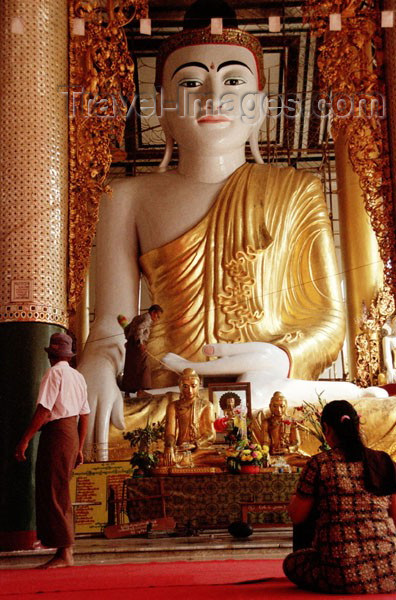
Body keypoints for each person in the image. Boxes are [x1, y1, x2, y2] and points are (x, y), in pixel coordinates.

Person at [79, 0, 385, 459]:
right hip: (171, 398)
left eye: (234, 80)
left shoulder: (297, 189)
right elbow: (110, 324)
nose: (213, 95)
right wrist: (98, 367)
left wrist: (278, 359)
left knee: (380, 419)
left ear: (260, 105)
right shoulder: (125, 197)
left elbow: (327, 323)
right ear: (162, 107)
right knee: (91, 422)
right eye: (190, 82)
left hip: (269, 390)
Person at [283, 400, 396, 594]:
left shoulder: (320, 464)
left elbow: (297, 516)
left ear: (326, 428)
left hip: (342, 575)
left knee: (292, 563)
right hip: (390, 571)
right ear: (358, 425)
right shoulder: (383, 460)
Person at [14, 333, 90, 568]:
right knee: (60, 489)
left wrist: (24, 440)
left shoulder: (54, 373)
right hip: (71, 434)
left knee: (53, 490)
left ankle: (65, 552)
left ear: (51, 355)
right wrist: (80, 445)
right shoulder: (78, 376)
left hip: (57, 434)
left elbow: (45, 410)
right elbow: (85, 414)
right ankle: (64, 549)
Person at [163, 368, 215, 466]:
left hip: (200, 450)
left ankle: (189, 460)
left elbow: (211, 435)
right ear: (180, 387)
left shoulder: (207, 405)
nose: (189, 390)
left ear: (198, 386)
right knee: (161, 460)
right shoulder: (173, 406)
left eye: (193, 386)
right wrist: (169, 446)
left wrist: (194, 444)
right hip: (180, 450)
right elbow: (170, 433)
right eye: (185, 386)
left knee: (223, 458)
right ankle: (188, 461)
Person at [118, 304, 163, 395]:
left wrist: (129, 340)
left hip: (132, 344)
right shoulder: (147, 318)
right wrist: (140, 343)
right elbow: (140, 329)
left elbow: (127, 328)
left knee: (130, 367)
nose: (157, 319)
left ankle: (127, 392)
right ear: (153, 312)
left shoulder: (138, 317)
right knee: (143, 365)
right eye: (157, 316)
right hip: (137, 344)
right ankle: (140, 391)